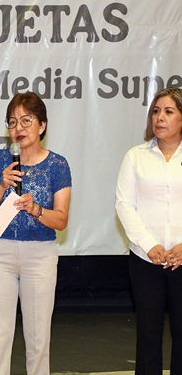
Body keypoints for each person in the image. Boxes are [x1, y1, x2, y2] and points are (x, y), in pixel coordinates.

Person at [0, 91, 71, 375]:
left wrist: (36, 209)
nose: (18, 128)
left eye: (27, 120)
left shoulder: (57, 165)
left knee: (38, 337)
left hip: (40, 255)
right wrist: (2, 186)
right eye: (12, 121)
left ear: (42, 125)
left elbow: (61, 220)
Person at [115, 87, 182, 374]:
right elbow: (124, 205)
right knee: (148, 336)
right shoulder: (136, 156)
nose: (159, 117)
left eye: (168, 111)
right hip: (146, 260)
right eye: (155, 111)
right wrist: (149, 244)